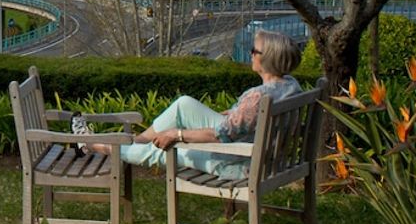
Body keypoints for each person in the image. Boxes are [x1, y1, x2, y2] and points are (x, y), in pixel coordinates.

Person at [73, 30, 302, 180]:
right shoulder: (290, 86)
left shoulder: (257, 97)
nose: (251, 54)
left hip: (239, 162)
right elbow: (245, 122)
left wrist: (178, 134)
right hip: (262, 156)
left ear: (268, 58)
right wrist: (234, 112)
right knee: (184, 104)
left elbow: (222, 136)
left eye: (255, 51)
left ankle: (93, 144)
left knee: (159, 152)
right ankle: (133, 141)